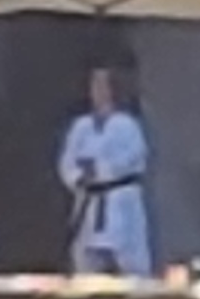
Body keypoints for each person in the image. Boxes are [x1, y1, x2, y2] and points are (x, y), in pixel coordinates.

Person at [56, 63, 152, 278]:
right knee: (86, 265)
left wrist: (98, 170)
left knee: (128, 264)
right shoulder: (81, 126)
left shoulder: (127, 125)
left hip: (120, 202)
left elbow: (131, 161)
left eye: (103, 85)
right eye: (94, 84)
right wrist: (79, 177)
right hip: (88, 204)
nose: (98, 91)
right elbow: (67, 162)